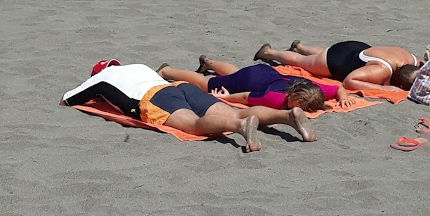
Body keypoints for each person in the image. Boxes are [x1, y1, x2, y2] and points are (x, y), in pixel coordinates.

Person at [60, 61, 313, 152]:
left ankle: (239, 126)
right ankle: (287, 115)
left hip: (156, 99)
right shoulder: (138, 66)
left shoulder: (101, 79)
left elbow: (70, 98)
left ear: (99, 72)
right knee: (236, 109)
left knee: (193, 125)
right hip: (179, 86)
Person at [158, 57, 355, 112]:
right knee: (206, 83)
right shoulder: (276, 99)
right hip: (251, 81)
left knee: (235, 73)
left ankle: (209, 62)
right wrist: (226, 97)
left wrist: (344, 97)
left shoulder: (315, 91)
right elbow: (246, 96)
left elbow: (337, 88)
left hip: (265, 73)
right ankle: (167, 70)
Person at [254, 40, 422, 93]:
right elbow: (350, 81)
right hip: (337, 60)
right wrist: (386, 90)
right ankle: (268, 52)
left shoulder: (412, 60)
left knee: (321, 54)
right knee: (300, 62)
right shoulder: (381, 70)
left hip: (356, 48)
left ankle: (301, 46)